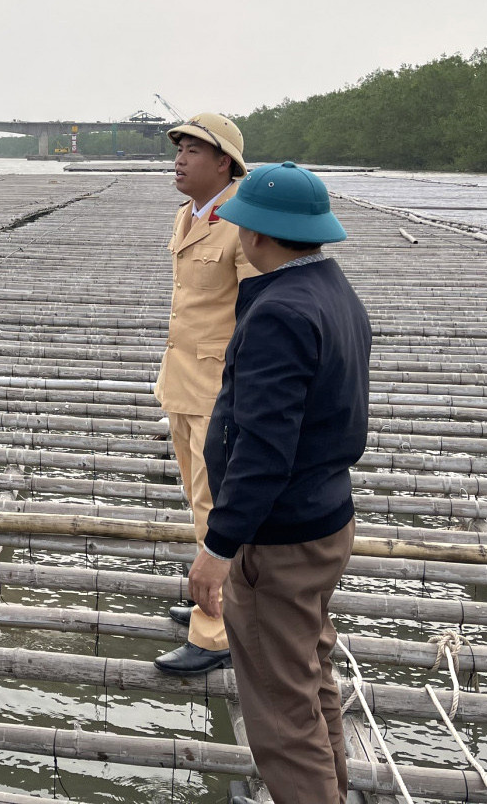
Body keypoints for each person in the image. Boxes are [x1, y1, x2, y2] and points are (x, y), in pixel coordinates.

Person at [187, 162, 371, 803]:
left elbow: (263, 449)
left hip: (283, 538)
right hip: (327, 521)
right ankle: (332, 791)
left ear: (259, 236)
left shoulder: (279, 314)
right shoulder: (334, 291)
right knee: (310, 676)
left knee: (279, 708)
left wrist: (219, 545)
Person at [151, 112, 257, 676]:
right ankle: (212, 601)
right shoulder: (188, 215)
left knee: (216, 512)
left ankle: (215, 632)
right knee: (199, 504)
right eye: (179, 149)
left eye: (194, 150)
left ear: (225, 163)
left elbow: (257, 313)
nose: (180, 158)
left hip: (219, 393)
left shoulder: (243, 223)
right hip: (182, 385)